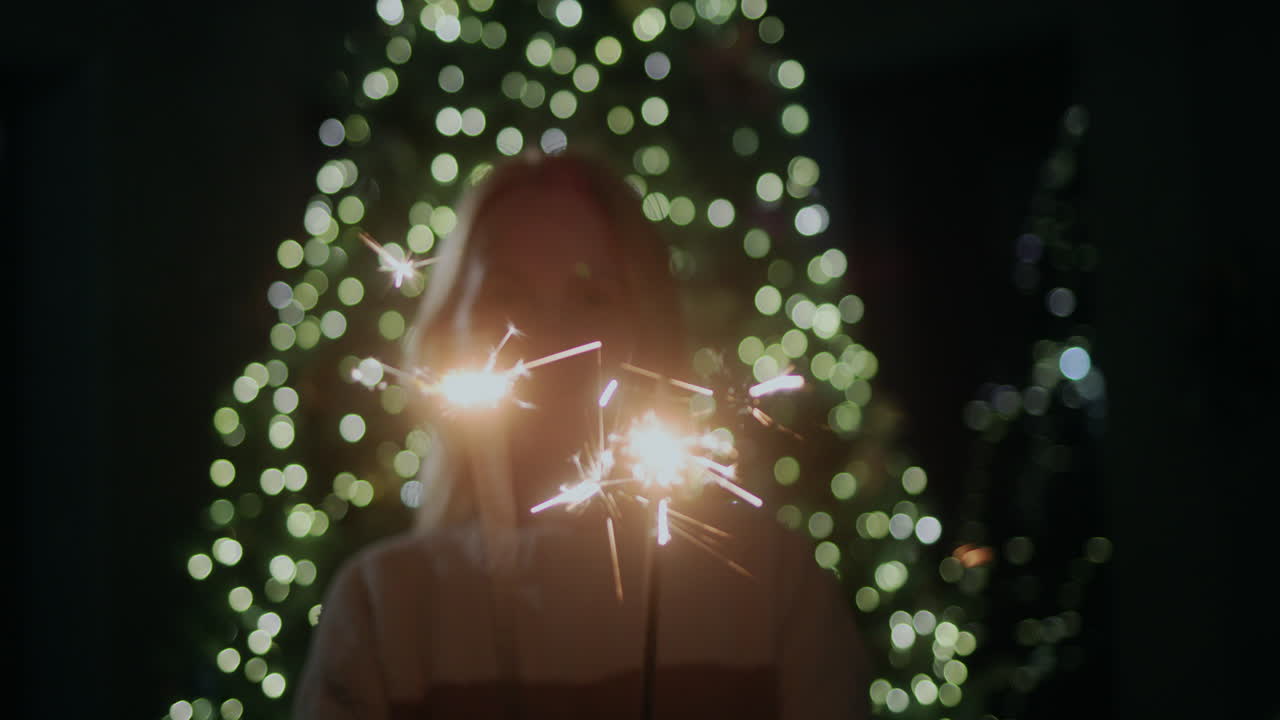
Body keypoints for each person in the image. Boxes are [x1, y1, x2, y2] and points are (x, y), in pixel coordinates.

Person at [294, 151, 868, 719]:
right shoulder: (383, 606)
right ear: (448, 333)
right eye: (506, 294)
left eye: (591, 298)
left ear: (648, 337)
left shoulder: (770, 586)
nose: (548, 340)